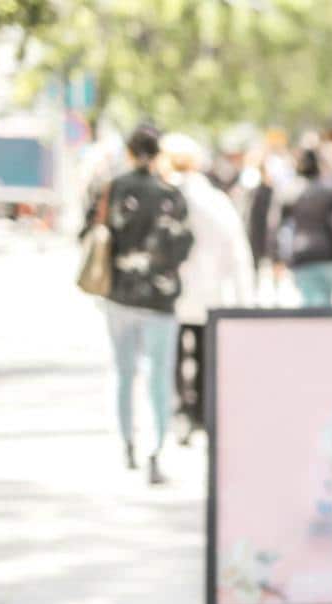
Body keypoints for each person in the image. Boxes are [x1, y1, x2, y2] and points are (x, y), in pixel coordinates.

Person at [84, 124, 194, 484]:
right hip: (159, 297)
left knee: (124, 371)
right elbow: (183, 245)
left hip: (119, 293)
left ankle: (127, 442)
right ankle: (155, 449)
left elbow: (92, 232)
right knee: (159, 376)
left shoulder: (113, 188)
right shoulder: (170, 194)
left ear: (130, 152)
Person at [160, 134, 255, 444]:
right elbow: (237, 249)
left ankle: (180, 411)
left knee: (172, 355)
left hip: (171, 292)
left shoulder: (165, 195)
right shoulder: (214, 199)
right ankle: (200, 411)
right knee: (204, 354)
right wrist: (244, 297)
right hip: (209, 292)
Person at [279, 148, 332, 307]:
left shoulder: (292, 192)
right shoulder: (329, 192)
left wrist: (280, 257)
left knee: (312, 307)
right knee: (323, 307)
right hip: (327, 254)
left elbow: (281, 227)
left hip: (304, 255)